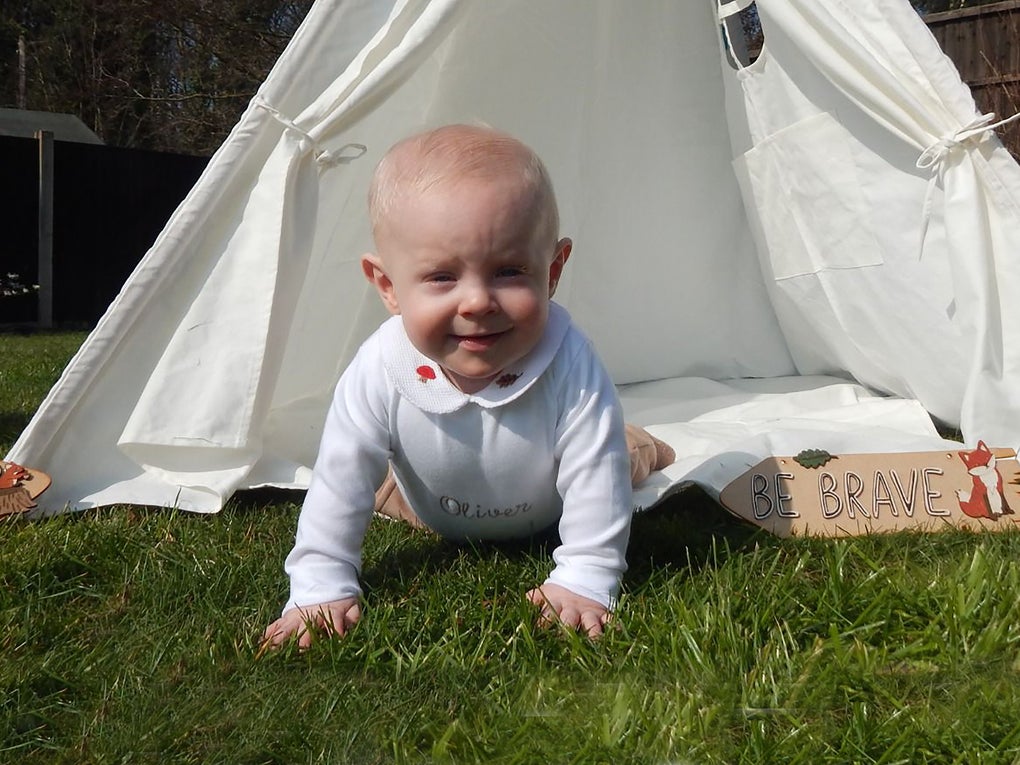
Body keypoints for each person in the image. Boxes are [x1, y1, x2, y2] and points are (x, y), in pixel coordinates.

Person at [262, 124, 672, 649]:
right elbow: (341, 478)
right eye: (440, 277)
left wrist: (585, 578)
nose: (477, 302)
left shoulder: (569, 360)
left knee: (619, 453)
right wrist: (320, 585)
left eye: (508, 272)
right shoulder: (380, 368)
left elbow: (593, 474)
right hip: (430, 502)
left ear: (553, 271)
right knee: (373, 481)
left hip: (552, 497)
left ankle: (651, 445)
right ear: (388, 287)